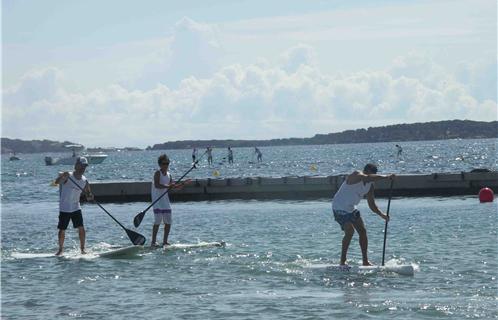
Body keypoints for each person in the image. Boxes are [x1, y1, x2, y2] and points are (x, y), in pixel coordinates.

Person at [331, 163, 394, 266]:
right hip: (339, 207)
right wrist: (387, 177)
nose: (373, 177)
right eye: (372, 174)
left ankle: (365, 261)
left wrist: (382, 215)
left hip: (351, 208)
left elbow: (372, 205)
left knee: (362, 231)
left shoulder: (370, 186)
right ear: (367, 171)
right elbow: (368, 178)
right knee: (350, 231)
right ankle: (342, 261)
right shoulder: (356, 175)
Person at [54, 157, 93, 256]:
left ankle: (82, 249)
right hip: (65, 208)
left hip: (76, 207)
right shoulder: (68, 176)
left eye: (84, 166)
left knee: (81, 228)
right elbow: (55, 183)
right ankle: (60, 250)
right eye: (81, 166)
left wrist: (90, 196)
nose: (83, 168)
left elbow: (89, 196)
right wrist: (62, 176)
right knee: (62, 229)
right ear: (76, 166)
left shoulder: (85, 180)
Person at [151, 154, 183, 246]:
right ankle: (153, 241)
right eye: (164, 163)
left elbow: (171, 187)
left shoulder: (169, 175)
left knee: (168, 222)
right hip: (157, 201)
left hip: (165, 201)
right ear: (160, 164)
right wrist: (169, 186)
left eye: (167, 163)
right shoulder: (158, 173)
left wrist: (180, 186)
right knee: (157, 221)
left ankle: (165, 241)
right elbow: (157, 185)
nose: (166, 165)